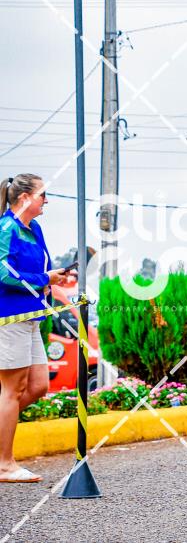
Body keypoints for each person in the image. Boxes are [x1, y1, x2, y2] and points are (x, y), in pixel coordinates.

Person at [0, 174, 75, 482]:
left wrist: (53, 278)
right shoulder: (7, 228)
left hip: (33, 317)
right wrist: (45, 279)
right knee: (12, 389)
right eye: (43, 194)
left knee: (38, 386)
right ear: (24, 198)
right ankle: (4, 465)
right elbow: (4, 274)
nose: (47, 200)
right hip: (10, 319)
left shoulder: (35, 228)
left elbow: (36, 272)